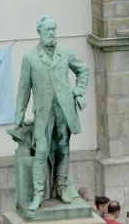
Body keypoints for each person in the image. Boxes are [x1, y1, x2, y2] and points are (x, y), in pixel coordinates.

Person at [13, 15, 90, 211]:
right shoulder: (30, 57)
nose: (52, 32)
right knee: (42, 150)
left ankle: (61, 188)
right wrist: (19, 115)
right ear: (39, 32)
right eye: (48, 29)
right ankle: (38, 194)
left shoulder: (65, 53)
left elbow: (83, 70)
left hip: (64, 109)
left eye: (54, 29)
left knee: (63, 149)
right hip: (43, 112)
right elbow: (24, 89)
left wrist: (79, 90)